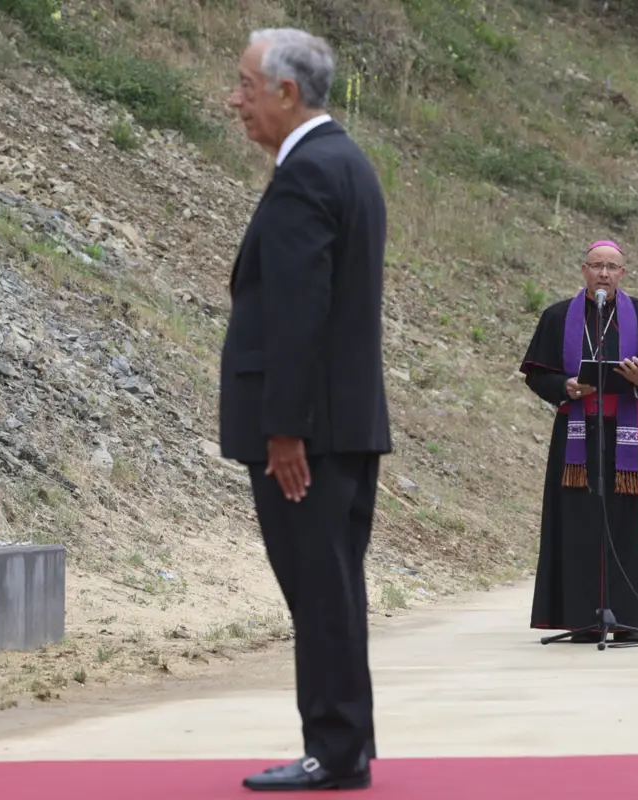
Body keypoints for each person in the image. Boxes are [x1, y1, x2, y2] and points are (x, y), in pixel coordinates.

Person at [218, 27, 390, 792]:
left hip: (307, 435)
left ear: (287, 93)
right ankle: (346, 743)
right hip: (344, 424)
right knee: (334, 588)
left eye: (247, 86)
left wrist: (283, 428)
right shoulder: (347, 164)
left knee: (319, 592)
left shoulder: (307, 175)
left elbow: (299, 312)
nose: (236, 101)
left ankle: (334, 748)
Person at [519, 240, 638, 644]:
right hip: (576, 434)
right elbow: (537, 376)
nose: (604, 274)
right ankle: (581, 618)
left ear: (623, 274)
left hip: (629, 437)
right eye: (597, 266)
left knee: (628, 524)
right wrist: (565, 385)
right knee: (577, 521)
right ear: (584, 270)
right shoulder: (558, 316)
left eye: (612, 267)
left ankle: (629, 619)